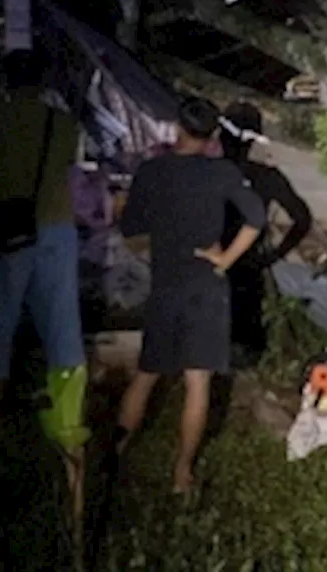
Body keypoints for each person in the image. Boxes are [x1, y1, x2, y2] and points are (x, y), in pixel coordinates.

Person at [113, 96, 266, 493]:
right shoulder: (223, 172)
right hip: (206, 286)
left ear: (177, 127)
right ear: (213, 134)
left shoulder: (152, 170)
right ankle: (183, 473)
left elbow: (130, 228)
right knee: (198, 382)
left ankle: (115, 454)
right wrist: (225, 259)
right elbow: (256, 219)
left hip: (167, 282)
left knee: (146, 375)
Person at [0, 49, 87, 445]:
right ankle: (68, 418)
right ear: (43, 82)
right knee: (62, 323)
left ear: (5, 81)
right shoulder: (64, 123)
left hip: (3, 228)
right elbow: (68, 163)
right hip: (56, 228)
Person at [218, 101, 312, 367]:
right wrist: (273, 256)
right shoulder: (266, 176)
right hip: (249, 266)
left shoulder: (202, 173)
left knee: (205, 348)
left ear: (222, 134)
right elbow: (302, 219)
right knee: (245, 344)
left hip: (207, 264)